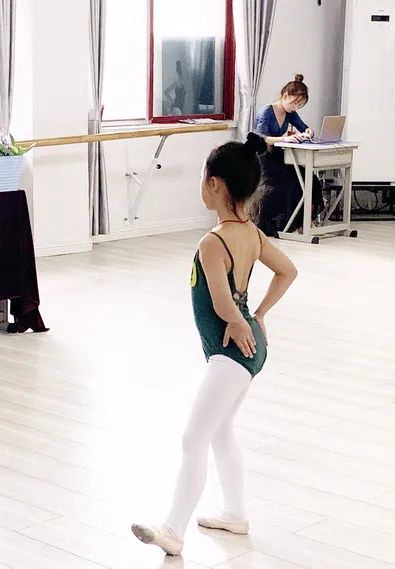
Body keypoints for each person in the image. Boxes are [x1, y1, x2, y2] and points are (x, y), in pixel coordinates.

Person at [130, 133, 298, 556]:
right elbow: (287, 271)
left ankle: (173, 529)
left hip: (231, 352)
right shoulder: (252, 234)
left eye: (202, 178)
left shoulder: (213, 242)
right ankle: (235, 514)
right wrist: (258, 315)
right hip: (247, 347)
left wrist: (240, 320)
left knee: (193, 438)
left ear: (215, 184)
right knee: (221, 433)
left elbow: (222, 302)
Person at [252, 74, 323, 237]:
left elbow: (304, 127)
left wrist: (308, 132)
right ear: (285, 96)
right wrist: (285, 139)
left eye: (299, 105)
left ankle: (304, 222)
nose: (295, 108)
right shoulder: (266, 112)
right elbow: (261, 138)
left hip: (279, 156)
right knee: (290, 184)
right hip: (263, 158)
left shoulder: (290, 113)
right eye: (294, 103)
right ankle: (287, 224)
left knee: (310, 178)